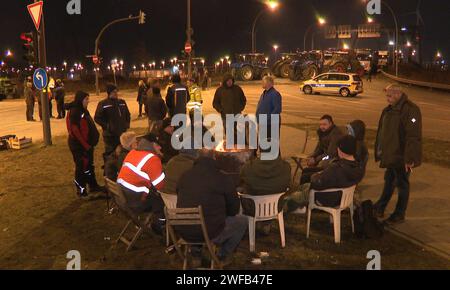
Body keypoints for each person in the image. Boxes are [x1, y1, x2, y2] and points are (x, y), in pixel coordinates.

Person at [177, 149, 248, 264]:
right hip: (210, 232)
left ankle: (196, 253)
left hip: (183, 230)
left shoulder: (184, 175)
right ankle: (222, 256)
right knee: (242, 221)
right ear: (214, 158)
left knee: (200, 221)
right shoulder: (222, 177)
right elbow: (234, 209)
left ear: (197, 158)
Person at [373, 84, 422, 225]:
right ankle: (380, 207)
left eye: (389, 96)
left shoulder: (411, 111)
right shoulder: (390, 110)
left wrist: (410, 159)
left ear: (397, 94)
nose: (387, 99)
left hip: (402, 156)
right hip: (391, 154)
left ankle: (399, 213)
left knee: (402, 184)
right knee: (389, 180)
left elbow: (413, 135)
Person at [286, 135, 364, 211]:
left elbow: (317, 182)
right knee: (303, 187)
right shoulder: (358, 166)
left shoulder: (337, 168)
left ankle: (281, 208)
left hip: (327, 198)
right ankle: (298, 205)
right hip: (341, 196)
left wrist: (316, 175)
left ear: (341, 150)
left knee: (294, 197)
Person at [117, 133, 166, 233]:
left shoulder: (133, 152)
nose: (160, 147)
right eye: (158, 145)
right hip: (136, 201)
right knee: (161, 199)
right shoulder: (152, 158)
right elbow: (160, 186)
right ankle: (159, 226)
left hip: (122, 197)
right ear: (151, 145)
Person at [240, 146, 291, 232]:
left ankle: (250, 223)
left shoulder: (249, 167)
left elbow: (241, 178)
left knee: (241, 190)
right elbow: (287, 184)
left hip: (253, 208)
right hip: (276, 207)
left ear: (260, 151)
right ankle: (266, 223)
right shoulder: (286, 167)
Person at [65, 91, 102, 198]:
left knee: (89, 166)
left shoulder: (82, 110)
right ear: (80, 100)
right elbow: (75, 131)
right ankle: (81, 191)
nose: (88, 101)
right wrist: (86, 146)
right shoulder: (75, 112)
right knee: (81, 168)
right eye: (86, 99)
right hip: (79, 146)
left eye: (88, 99)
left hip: (87, 145)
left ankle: (93, 185)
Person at [299, 115, 344, 185]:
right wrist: (313, 156)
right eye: (320, 124)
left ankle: (308, 190)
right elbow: (319, 148)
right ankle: (304, 190)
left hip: (332, 161)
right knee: (305, 170)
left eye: (324, 124)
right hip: (324, 158)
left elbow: (330, 154)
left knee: (306, 176)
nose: (322, 127)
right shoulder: (322, 132)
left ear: (331, 124)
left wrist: (316, 160)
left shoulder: (335, 134)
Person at [94, 84, 131, 163]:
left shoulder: (122, 102)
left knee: (123, 152)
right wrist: (107, 126)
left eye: (116, 91)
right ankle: (109, 171)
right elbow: (97, 118)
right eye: (114, 92)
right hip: (110, 135)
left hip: (122, 133)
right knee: (110, 154)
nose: (116, 93)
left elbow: (127, 114)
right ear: (109, 92)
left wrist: (126, 125)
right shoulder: (103, 104)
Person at [255, 75, 282, 140]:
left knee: (271, 145)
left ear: (268, 83)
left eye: (263, 81)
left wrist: (266, 119)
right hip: (263, 123)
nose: (261, 83)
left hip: (270, 124)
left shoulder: (275, 94)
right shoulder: (264, 93)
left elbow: (277, 110)